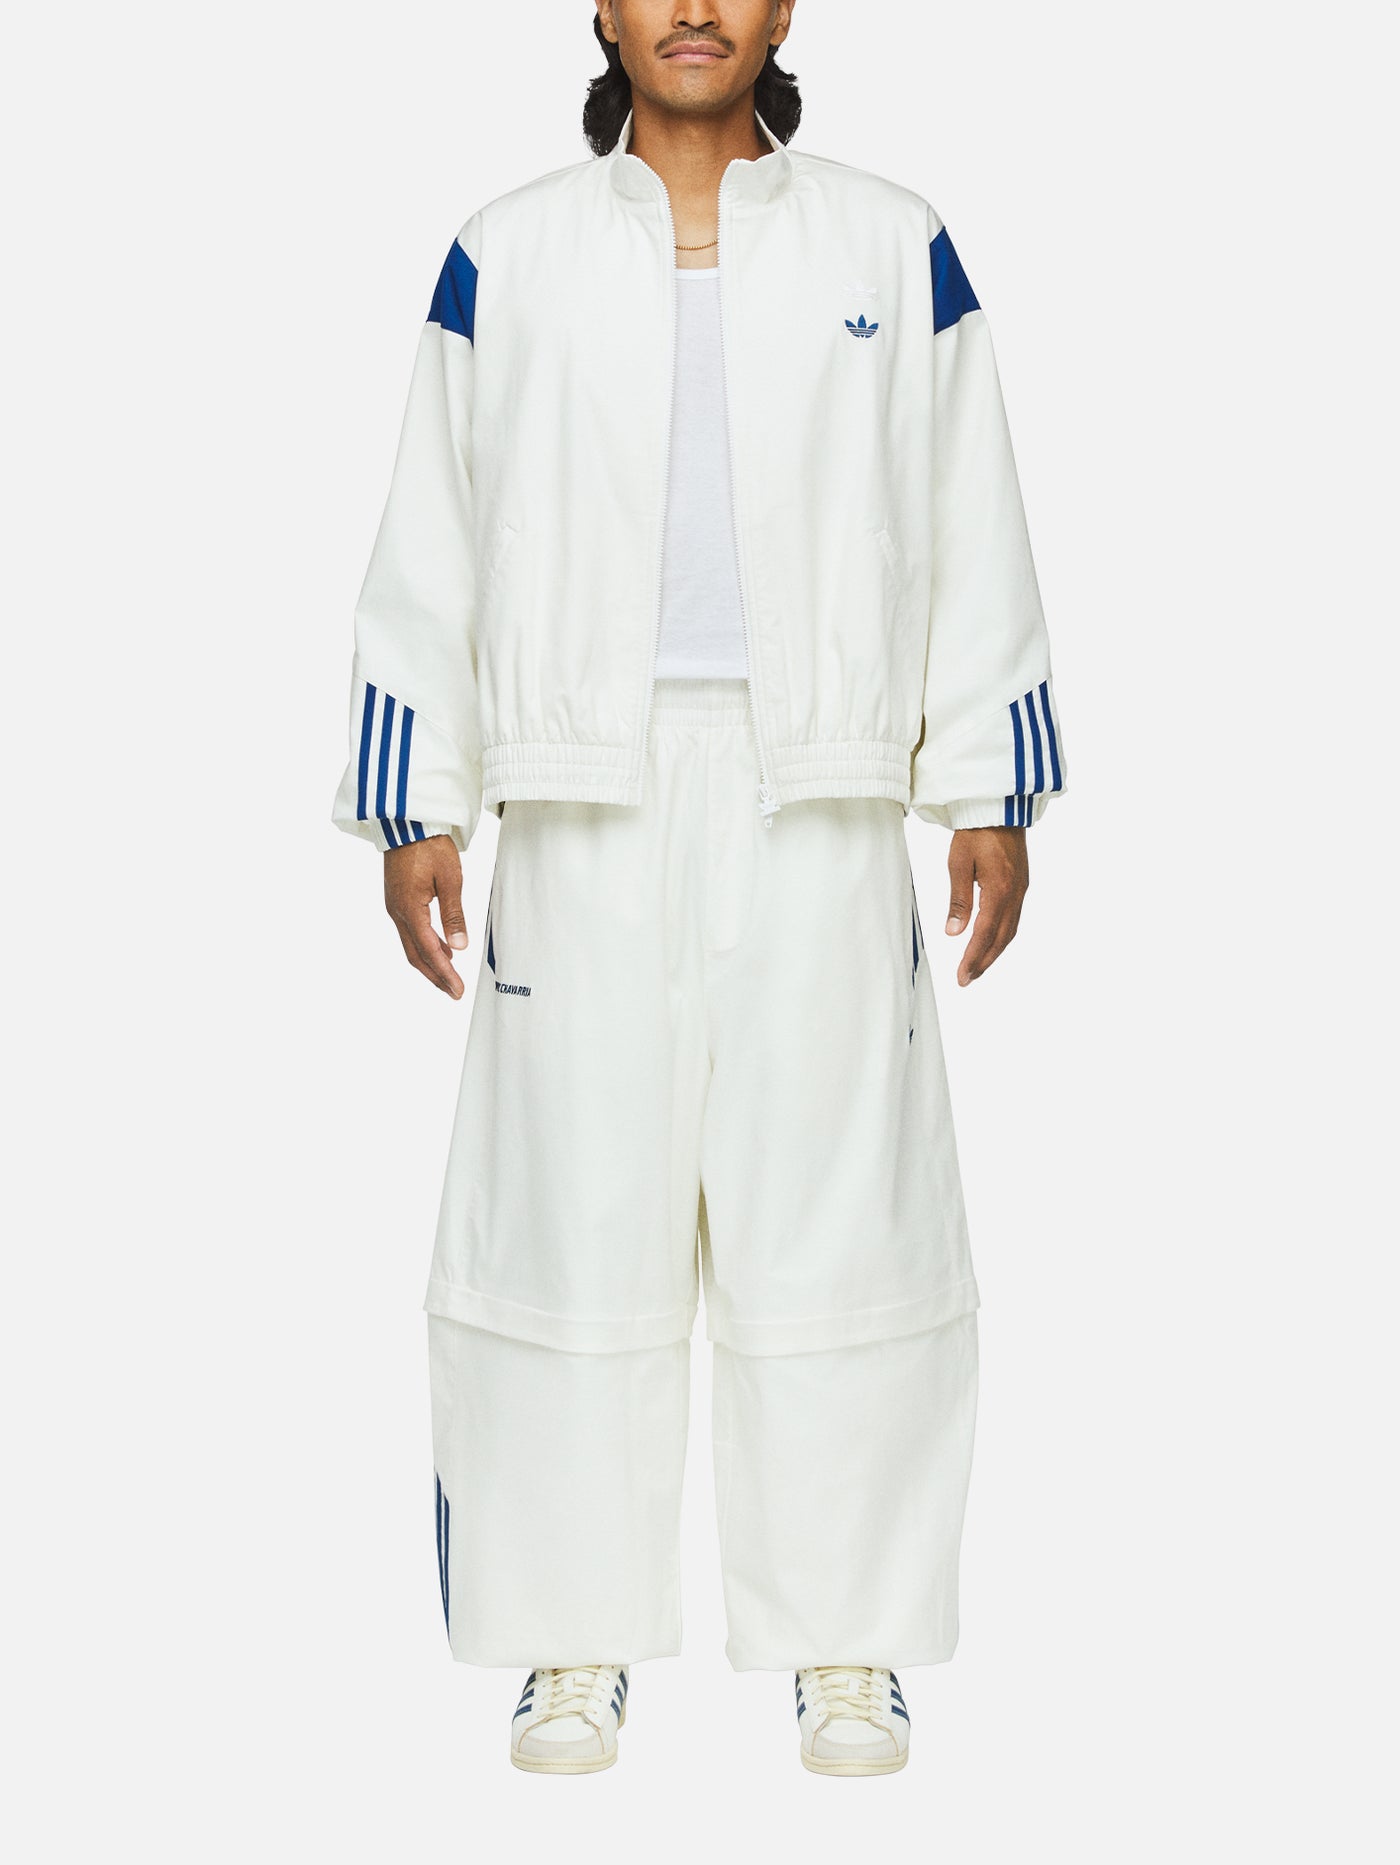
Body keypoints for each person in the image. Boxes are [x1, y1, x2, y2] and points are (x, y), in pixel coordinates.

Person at [332, 0, 1067, 1778]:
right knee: (568, 1213)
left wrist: (985, 780)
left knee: (844, 1211)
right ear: (599, 7)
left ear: (785, 8)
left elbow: (966, 506)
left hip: (823, 780)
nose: (693, 8)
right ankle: (567, 1635)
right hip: (578, 781)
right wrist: (418, 798)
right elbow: (436, 527)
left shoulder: (891, 243)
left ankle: (847, 1639)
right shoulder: (506, 254)